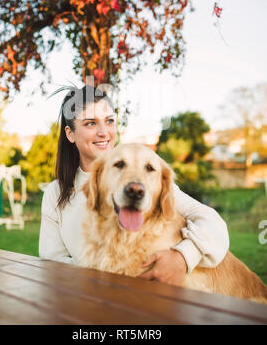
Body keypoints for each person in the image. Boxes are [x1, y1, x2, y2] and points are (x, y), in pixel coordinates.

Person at [39, 84, 229, 286]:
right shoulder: (55, 194)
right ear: (70, 134)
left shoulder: (145, 179)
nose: (104, 132)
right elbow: (52, 263)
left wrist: (183, 258)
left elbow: (213, 223)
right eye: (90, 123)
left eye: (109, 121)